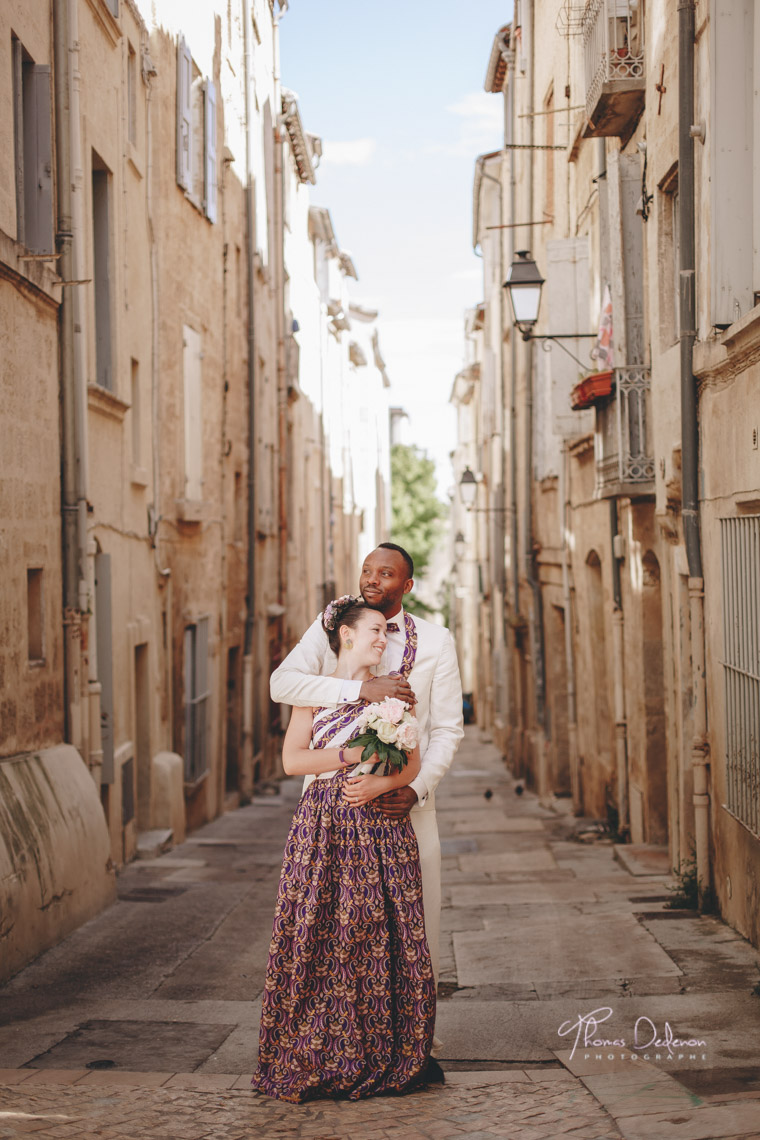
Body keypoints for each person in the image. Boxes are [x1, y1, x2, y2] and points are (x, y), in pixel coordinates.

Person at [252, 598, 435, 1102]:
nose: (383, 639)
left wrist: (379, 787)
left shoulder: (395, 697)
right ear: (347, 635)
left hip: (379, 831)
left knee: (375, 935)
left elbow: (412, 764)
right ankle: (316, 1055)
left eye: (387, 632)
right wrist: (350, 755)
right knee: (321, 934)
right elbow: (292, 761)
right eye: (375, 630)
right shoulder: (313, 692)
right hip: (323, 828)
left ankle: (379, 1054)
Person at [270, 543, 464, 1005]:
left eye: (386, 574)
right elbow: (283, 682)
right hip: (332, 810)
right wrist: (360, 689)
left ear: (407, 585)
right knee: (334, 929)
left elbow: (447, 728)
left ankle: (418, 1039)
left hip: (406, 805)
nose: (373, 580)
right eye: (367, 571)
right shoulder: (333, 625)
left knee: (418, 923)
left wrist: (414, 787)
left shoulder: (436, 641)